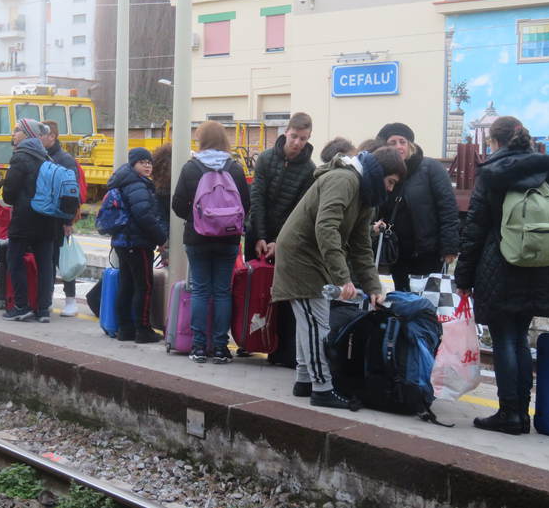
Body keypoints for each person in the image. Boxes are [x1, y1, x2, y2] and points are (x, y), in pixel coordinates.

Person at [455, 116, 549, 435]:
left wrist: (463, 277)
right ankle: (523, 413)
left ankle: (509, 414)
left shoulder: (491, 175)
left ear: (493, 142)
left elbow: (474, 229)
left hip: (500, 265)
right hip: (541, 265)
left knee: (504, 338)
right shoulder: (547, 170)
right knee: (520, 338)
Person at [271, 146, 406, 408]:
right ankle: (321, 389)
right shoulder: (344, 180)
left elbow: (361, 245)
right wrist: (342, 279)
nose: (390, 190)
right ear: (379, 174)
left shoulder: (365, 194)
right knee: (316, 324)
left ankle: (305, 380)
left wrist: (372, 286)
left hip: (311, 255)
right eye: (390, 182)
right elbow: (326, 226)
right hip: (301, 255)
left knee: (309, 320)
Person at [171, 121, 250, 364]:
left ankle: (197, 347)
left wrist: (198, 220)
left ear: (202, 140)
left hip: (198, 239)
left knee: (201, 291)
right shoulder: (235, 168)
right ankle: (220, 348)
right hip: (228, 239)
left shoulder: (191, 168)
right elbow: (245, 206)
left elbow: (177, 205)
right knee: (223, 292)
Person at [374, 123, 460, 291]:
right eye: (392, 143)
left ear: (410, 144)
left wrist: (450, 247)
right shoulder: (383, 172)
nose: (398, 147)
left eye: (402, 142)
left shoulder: (430, 168)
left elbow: (448, 208)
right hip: (395, 254)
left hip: (428, 252)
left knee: (427, 302)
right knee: (399, 301)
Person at [107, 148, 168, 343]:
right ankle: (143, 329)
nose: (147, 165)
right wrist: (161, 238)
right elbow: (144, 215)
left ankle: (125, 329)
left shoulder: (124, 180)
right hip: (137, 241)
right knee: (144, 286)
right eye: (142, 162)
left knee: (127, 285)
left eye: (149, 162)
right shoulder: (137, 185)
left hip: (123, 241)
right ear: (133, 164)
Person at [1, 118, 58, 323]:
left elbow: (9, 194)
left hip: (24, 220)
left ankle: (21, 306)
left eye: (17, 130)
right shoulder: (47, 157)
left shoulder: (20, 157)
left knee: (14, 261)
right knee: (45, 265)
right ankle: (43, 309)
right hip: (47, 219)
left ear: (27, 134)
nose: (14, 134)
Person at [246, 112, 315, 262]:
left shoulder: (310, 170)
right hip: (256, 231)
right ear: (286, 132)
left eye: (303, 139)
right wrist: (260, 237)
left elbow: (299, 211)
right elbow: (257, 199)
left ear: (308, 139)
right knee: (251, 281)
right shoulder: (265, 158)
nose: (297, 143)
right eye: (294, 136)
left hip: (286, 238)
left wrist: (278, 241)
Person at [41, 119, 82, 317]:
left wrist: (68, 221)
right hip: (46, 216)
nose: (39, 138)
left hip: (59, 218)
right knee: (47, 259)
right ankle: (47, 299)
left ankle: (70, 301)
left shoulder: (64, 159)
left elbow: (71, 192)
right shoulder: (44, 156)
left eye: (43, 134)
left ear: (52, 136)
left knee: (62, 259)